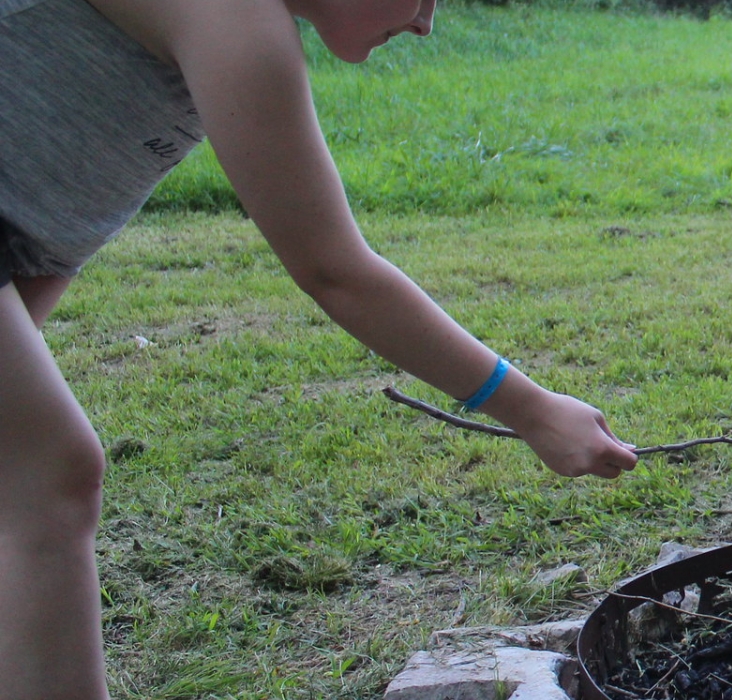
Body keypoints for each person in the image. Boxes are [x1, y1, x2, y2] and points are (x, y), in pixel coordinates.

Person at [0, 0, 641, 695]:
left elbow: (39, 215)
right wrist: (531, 409)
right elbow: (335, 271)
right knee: (52, 480)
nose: (427, 21)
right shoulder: (235, 20)